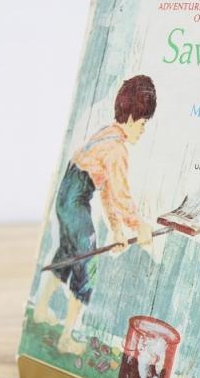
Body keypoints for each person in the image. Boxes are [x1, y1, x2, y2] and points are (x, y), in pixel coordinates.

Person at [34, 75, 157, 355]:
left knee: (67, 254)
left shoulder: (106, 134)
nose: (143, 131)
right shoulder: (117, 149)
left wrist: (117, 230)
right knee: (86, 266)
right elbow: (121, 195)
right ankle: (67, 337)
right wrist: (138, 225)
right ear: (130, 118)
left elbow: (107, 192)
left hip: (67, 198)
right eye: (142, 123)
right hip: (75, 200)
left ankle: (40, 309)